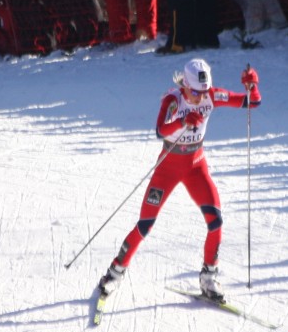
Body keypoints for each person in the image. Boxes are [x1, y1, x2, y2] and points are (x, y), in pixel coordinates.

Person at [99, 59, 261, 302]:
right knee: (145, 225)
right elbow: (160, 130)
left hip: (196, 167)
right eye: (195, 93)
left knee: (216, 221)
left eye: (204, 92)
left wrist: (252, 85)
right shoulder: (173, 100)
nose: (200, 98)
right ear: (185, 85)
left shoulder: (211, 96)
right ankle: (114, 272)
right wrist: (182, 121)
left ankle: (208, 277)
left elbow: (252, 102)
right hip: (168, 169)